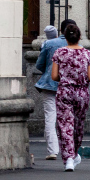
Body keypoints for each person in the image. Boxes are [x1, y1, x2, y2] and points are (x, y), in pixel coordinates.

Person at [51, 23, 90, 172]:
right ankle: (75, 153)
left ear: (65, 37)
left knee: (65, 125)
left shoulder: (59, 53)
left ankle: (69, 158)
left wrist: (66, 78)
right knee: (78, 124)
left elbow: (54, 76)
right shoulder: (87, 54)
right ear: (79, 37)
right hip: (82, 93)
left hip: (64, 91)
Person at [34, 24, 63, 160]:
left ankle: (53, 150)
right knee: (67, 117)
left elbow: (39, 64)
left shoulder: (48, 44)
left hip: (49, 84)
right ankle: (70, 149)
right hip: (68, 86)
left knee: (50, 117)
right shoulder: (77, 46)